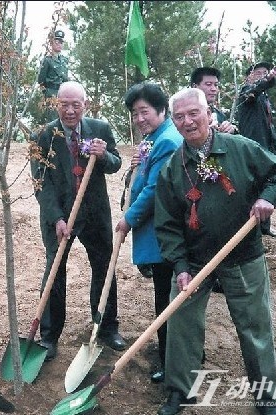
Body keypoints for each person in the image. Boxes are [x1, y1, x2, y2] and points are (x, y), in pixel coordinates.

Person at [154, 88, 276, 415]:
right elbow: (168, 224)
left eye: (194, 113)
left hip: (242, 255)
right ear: (174, 121)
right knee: (181, 324)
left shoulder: (240, 149)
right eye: (180, 117)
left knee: (255, 328)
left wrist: (268, 198)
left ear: (208, 113)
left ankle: (265, 396)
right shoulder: (173, 168)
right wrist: (180, 266)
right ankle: (179, 391)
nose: (188, 122)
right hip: (195, 261)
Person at [31, 80, 125, 361]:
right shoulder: (44, 136)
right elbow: (41, 183)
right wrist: (57, 218)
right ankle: (49, 336)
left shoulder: (100, 129)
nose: (70, 111)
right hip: (59, 215)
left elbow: (117, 163)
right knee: (55, 270)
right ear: (56, 104)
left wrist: (103, 155)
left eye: (76, 104)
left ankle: (107, 327)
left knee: (103, 266)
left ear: (85, 104)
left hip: (94, 212)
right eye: (64, 104)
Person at [114, 83, 183, 383]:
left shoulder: (167, 140)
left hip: (166, 234)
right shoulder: (153, 138)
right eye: (134, 113)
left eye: (144, 112)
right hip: (156, 233)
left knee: (167, 300)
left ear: (162, 110)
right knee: (163, 296)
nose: (139, 118)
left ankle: (172, 364)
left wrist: (128, 219)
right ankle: (170, 356)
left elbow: (156, 190)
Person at [236, 61, 276, 237]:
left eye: (266, 72)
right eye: (259, 72)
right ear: (249, 76)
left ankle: (264, 227)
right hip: (252, 147)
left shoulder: (264, 98)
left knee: (266, 183)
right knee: (253, 186)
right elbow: (253, 90)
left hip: (265, 146)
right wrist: (268, 80)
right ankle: (252, 229)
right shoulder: (246, 93)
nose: (263, 74)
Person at [190, 66, 237, 134]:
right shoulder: (183, 112)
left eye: (216, 85)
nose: (214, 89)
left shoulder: (219, 115)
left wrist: (231, 129)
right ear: (194, 87)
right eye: (208, 84)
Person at [37, 29, 69, 122]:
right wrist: (47, 94)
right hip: (52, 93)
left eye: (61, 42)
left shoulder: (65, 60)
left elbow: (65, 78)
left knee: (65, 118)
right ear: (51, 43)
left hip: (63, 93)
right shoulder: (47, 60)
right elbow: (41, 81)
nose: (59, 44)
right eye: (57, 41)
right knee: (53, 120)